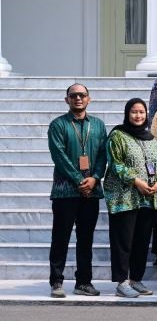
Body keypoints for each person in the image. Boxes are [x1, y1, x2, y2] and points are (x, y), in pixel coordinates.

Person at [47, 84, 108, 298]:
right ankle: (56, 281)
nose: (78, 98)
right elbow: (59, 156)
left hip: (91, 192)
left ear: (89, 99)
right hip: (65, 192)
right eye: (73, 96)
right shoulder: (58, 125)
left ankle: (84, 282)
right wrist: (78, 179)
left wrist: (95, 177)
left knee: (86, 239)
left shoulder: (99, 126)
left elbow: (103, 155)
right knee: (60, 237)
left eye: (82, 95)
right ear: (67, 100)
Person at [104, 98, 157, 298]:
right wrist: (137, 181)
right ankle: (122, 282)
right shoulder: (118, 135)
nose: (138, 116)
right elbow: (116, 164)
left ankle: (136, 279)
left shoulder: (151, 138)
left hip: (147, 198)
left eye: (141, 112)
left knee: (141, 241)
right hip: (124, 198)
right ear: (127, 114)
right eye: (134, 112)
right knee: (124, 241)